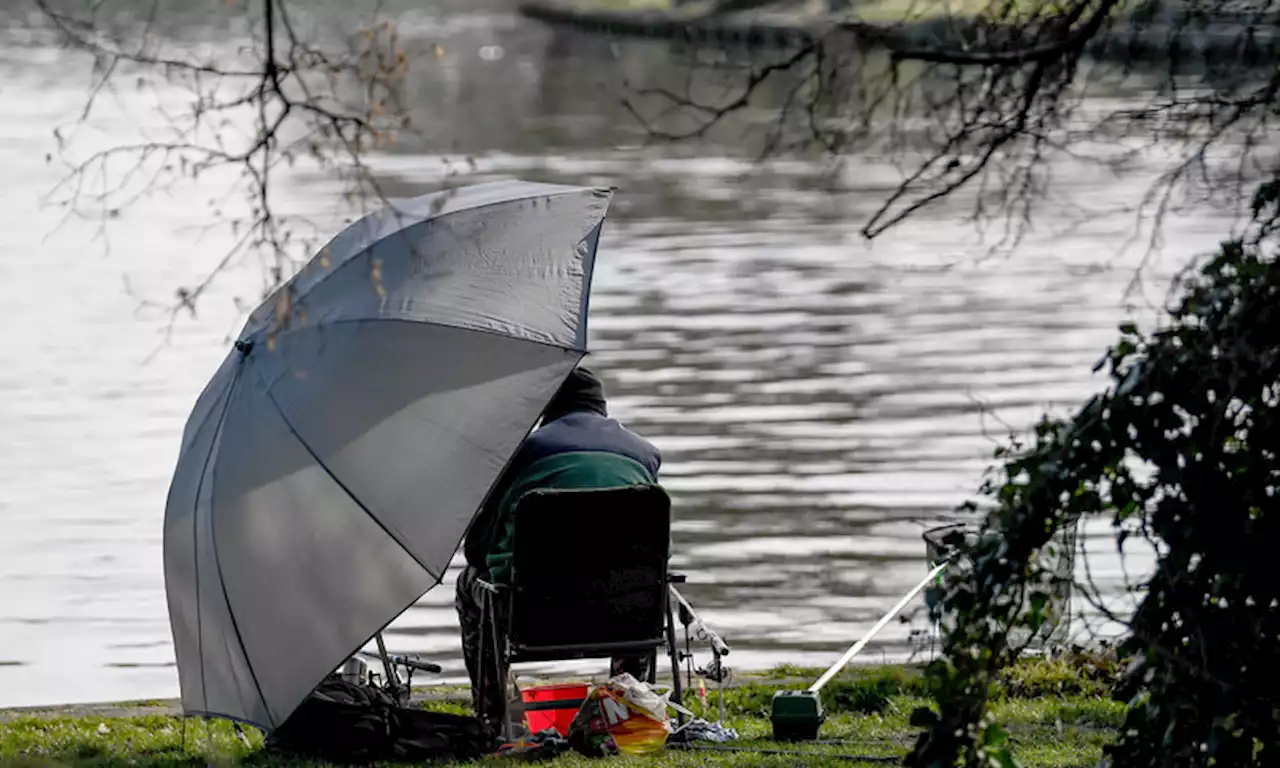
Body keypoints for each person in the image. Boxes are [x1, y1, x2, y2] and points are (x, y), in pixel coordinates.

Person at [454, 365, 663, 734]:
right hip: (626, 614)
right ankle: (627, 703)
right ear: (601, 407)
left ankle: (492, 715)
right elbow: (659, 554)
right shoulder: (644, 454)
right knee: (650, 583)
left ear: (546, 407)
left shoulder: (519, 452)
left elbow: (477, 551)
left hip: (533, 613)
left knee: (468, 584)